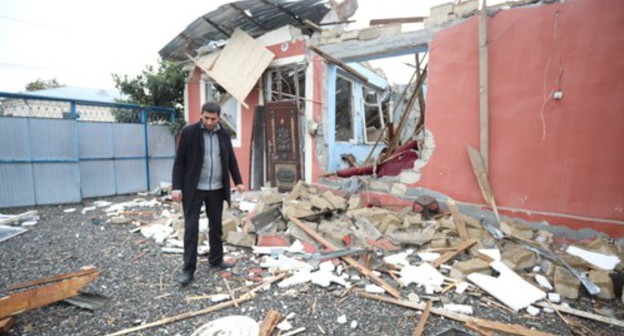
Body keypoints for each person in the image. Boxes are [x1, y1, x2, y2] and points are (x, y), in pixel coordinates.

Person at [171, 102, 245, 286]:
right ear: (201, 115)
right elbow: (179, 161)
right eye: (206, 118)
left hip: (217, 189)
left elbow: (231, 160)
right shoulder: (189, 132)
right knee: (191, 229)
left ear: (219, 117)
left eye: (213, 119)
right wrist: (176, 187)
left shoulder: (224, 134)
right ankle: (188, 270)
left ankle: (216, 260)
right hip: (193, 189)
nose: (209, 122)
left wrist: (239, 181)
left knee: (216, 227)